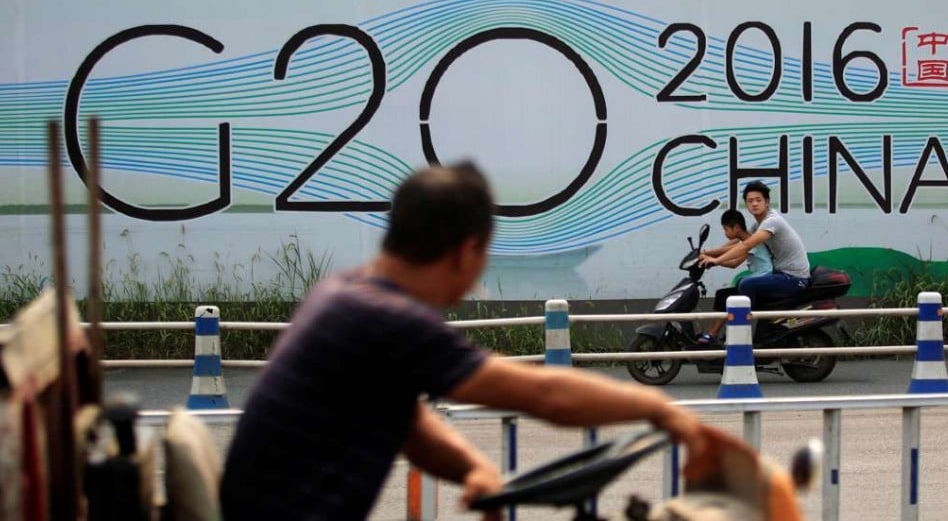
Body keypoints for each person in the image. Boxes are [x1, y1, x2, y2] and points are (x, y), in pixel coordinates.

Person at [219, 161, 705, 521]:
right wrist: (659, 409)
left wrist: (474, 467)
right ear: (466, 250)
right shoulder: (386, 319)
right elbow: (544, 394)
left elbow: (410, 425)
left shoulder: (344, 294)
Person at [696, 181, 811, 344]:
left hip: (794, 278)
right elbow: (737, 242)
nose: (754, 204)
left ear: (767, 202)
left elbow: (746, 245)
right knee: (727, 293)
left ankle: (740, 335)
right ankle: (713, 336)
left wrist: (716, 260)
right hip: (781, 275)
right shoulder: (759, 225)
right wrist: (706, 253)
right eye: (750, 201)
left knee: (746, 284)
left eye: (758, 200)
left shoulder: (772, 221)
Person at [696, 208, 774, 343]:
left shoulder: (751, 242)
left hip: (761, 282)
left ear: (736, 228)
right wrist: (708, 256)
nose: (725, 233)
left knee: (725, 297)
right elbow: (727, 249)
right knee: (721, 294)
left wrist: (712, 259)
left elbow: (734, 262)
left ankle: (712, 335)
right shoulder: (745, 240)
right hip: (756, 280)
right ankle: (711, 333)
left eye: (726, 229)